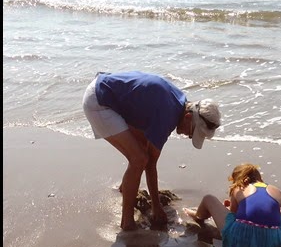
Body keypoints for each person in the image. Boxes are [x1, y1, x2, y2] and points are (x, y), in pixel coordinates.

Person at [82, 71, 221, 231]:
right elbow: (150, 164)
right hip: (99, 102)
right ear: (189, 117)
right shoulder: (167, 115)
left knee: (140, 153)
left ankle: (125, 187)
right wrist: (156, 206)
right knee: (139, 159)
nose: (189, 136)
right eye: (192, 132)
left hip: (107, 91)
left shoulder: (179, 102)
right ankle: (127, 222)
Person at [183, 163, 281, 247]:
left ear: (238, 180)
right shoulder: (274, 189)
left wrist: (227, 208)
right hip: (271, 241)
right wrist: (277, 211)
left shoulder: (239, 188)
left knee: (208, 198)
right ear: (260, 178)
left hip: (240, 239)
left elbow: (234, 215)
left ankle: (198, 216)